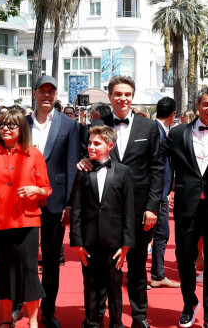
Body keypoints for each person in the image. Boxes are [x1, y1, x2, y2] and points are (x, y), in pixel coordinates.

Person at [79, 75, 164, 328]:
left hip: (138, 211)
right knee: (104, 269)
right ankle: (100, 316)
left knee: (137, 267)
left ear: (132, 96)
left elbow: (158, 169)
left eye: (127, 94)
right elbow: (89, 156)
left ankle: (139, 316)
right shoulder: (95, 125)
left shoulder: (148, 128)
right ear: (110, 96)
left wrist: (152, 206)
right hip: (104, 212)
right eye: (118, 94)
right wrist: (84, 160)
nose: (123, 98)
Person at [162, 86, 208, 328]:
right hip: (186, 206)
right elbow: (157, 161)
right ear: (197, 106)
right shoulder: (178, 133)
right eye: (206, 104)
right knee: (184, 259)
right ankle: (188, 303)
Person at [0, 108, 52, 328]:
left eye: (12, 125)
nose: (6, 128)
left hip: (26, 220)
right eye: (2, 125)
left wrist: (35, 190)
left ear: (21, 129)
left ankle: (34, 321)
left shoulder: (34, 154)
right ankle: (6, 318)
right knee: (2, 271)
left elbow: (47, 189)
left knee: (28, 272)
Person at [26, 76, 80, 328]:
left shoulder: (69, 125)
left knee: (50, 260)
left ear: (56, 95)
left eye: (51, 91)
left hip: (56, 200)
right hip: (23, 199)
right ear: (35, 93)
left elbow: (72, 165)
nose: (47, 95)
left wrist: (69, 204)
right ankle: (20, 306)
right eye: (43, 91)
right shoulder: (22, 123)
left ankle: (48, 309)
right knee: (23, 257)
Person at [70, 125, 135, 328]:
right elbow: (77, 208)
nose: (91, 147)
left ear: (110, 146)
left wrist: (126, 244)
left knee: (114, 285)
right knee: (90, 284)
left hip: (114, 240)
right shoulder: (82, 171)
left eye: (96, 143)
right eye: (89, 143)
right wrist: (77, 242)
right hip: (88, 240)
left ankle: (117, 323)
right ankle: (91, 322)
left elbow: (128, 210)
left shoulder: (124, 172)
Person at [150, 97, 180, 289]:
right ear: (173, 114)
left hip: (160, 190)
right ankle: (158, 274)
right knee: (161, 234)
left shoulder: (158, 129)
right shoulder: (158, 132)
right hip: (157, 192)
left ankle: (155, 274)